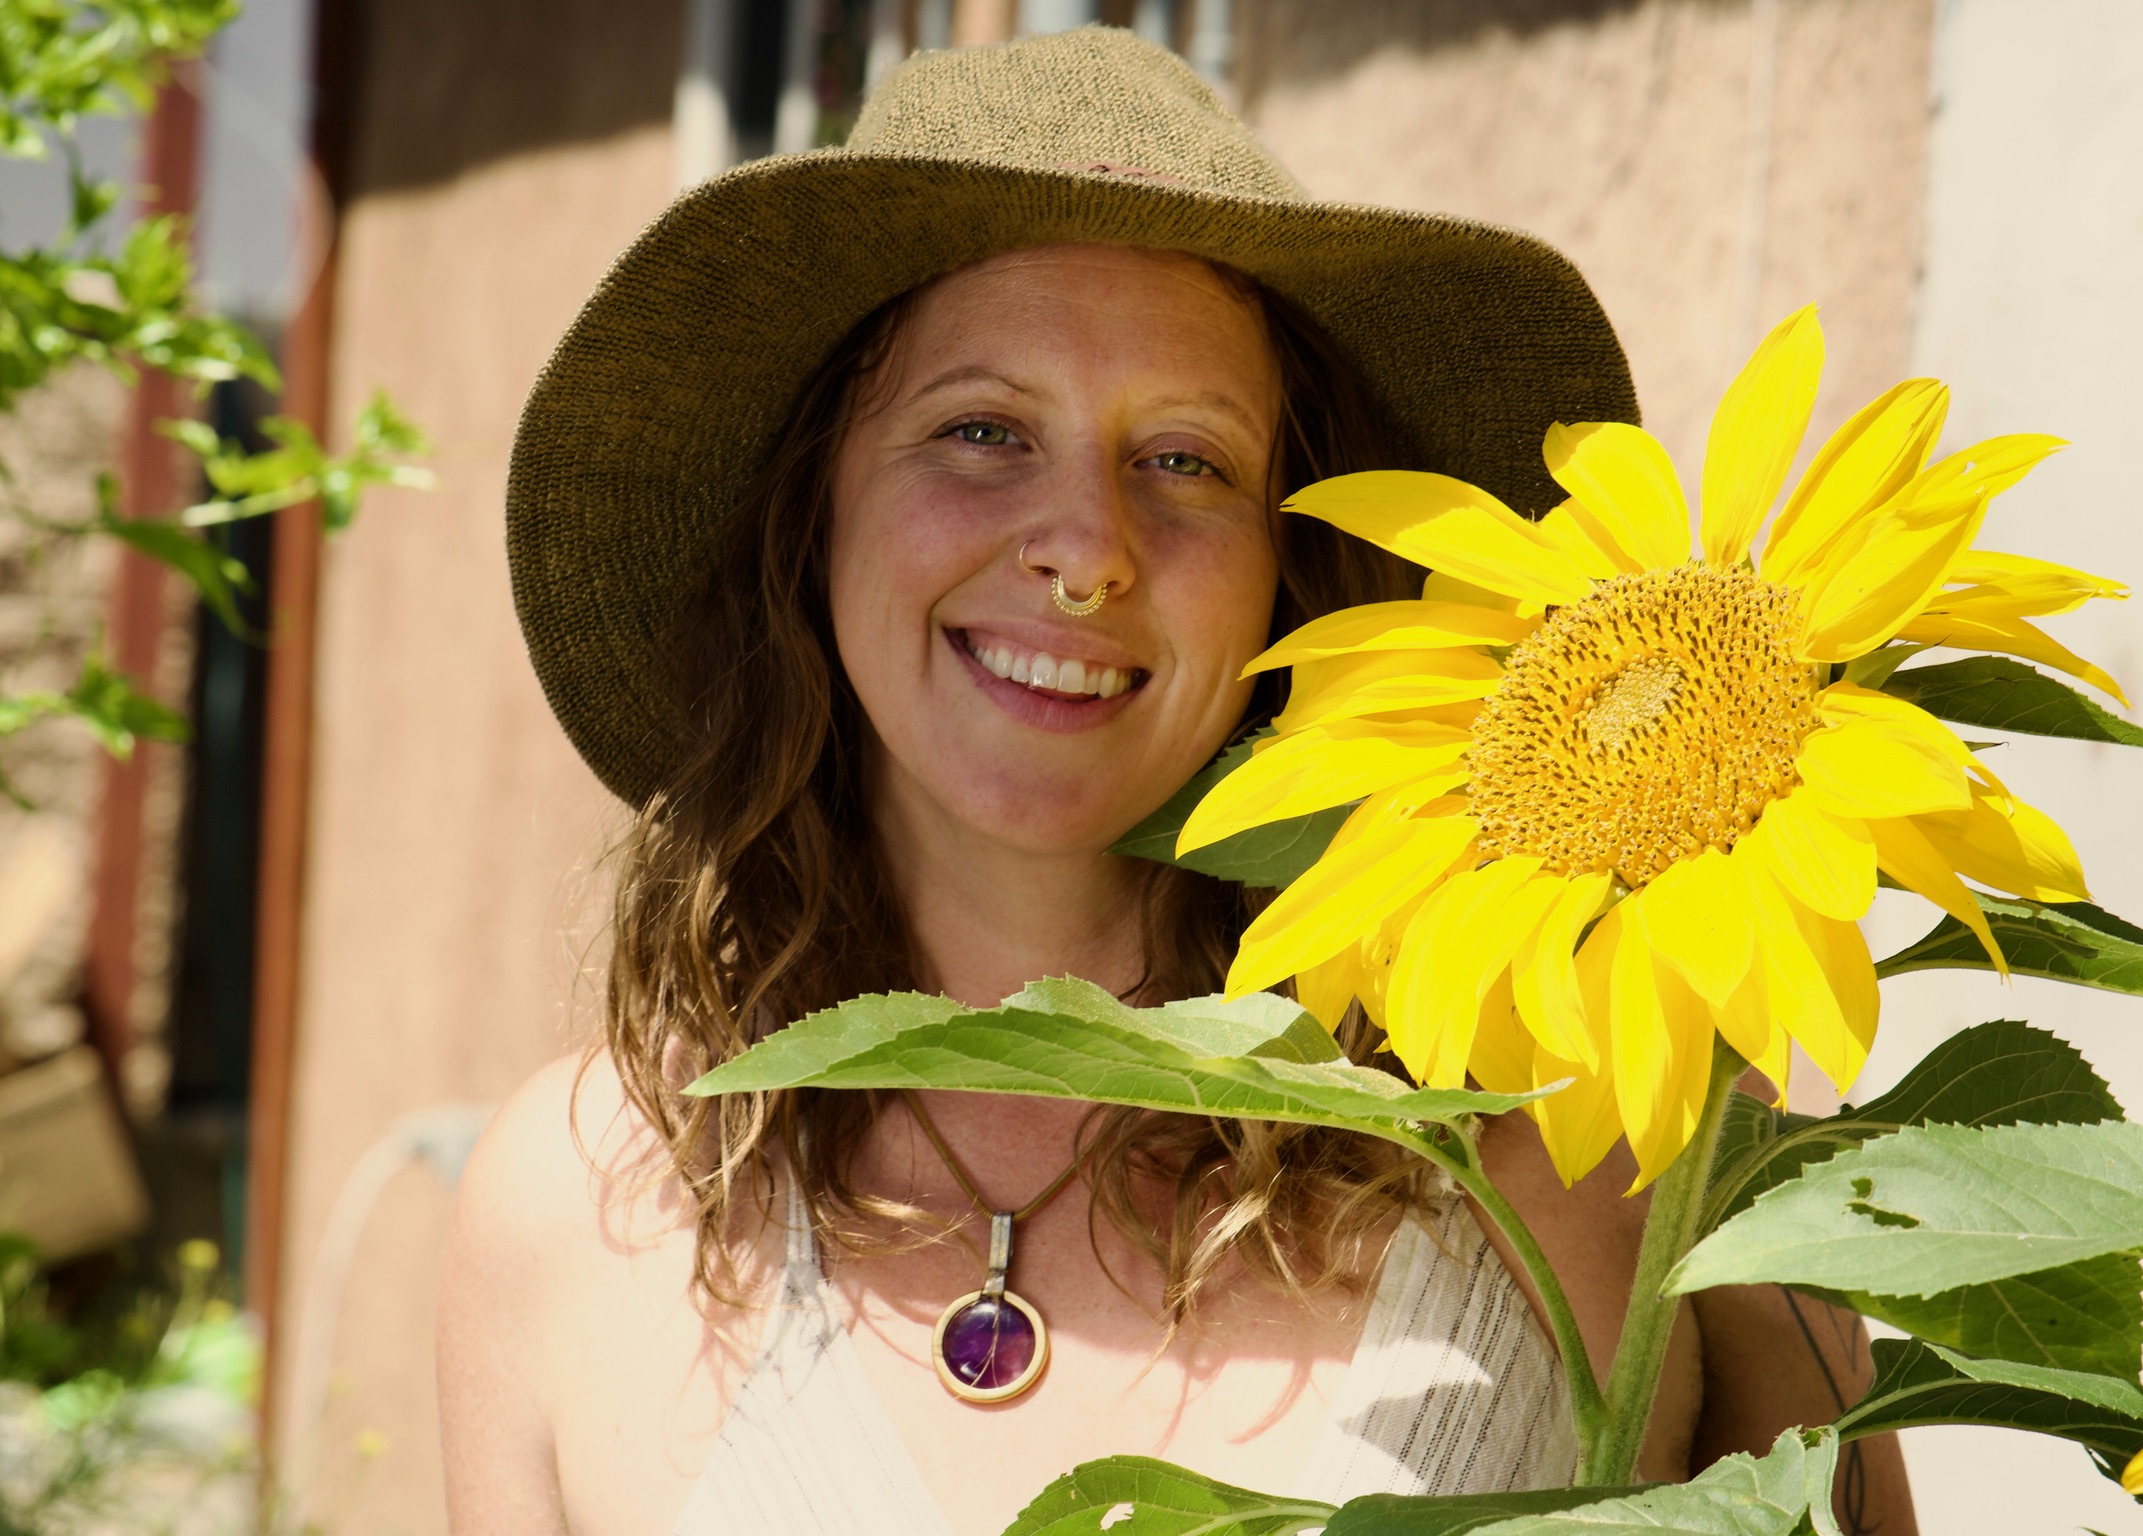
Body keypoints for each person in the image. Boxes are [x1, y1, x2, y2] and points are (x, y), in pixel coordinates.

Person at [440, 28, 1915, 1536]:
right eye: (980, 432)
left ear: (1298, 567)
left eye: (1186, 461)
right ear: (807, 514)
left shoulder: (1613, 1120)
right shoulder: (574, 1204)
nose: (1084, 550)